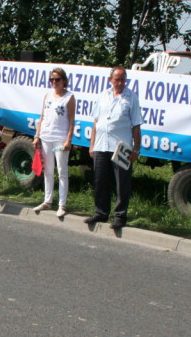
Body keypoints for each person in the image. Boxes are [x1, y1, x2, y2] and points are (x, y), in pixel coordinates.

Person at [85, 67, 142, 230]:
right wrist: (92, 145)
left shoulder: (131, 98)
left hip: (121, 147)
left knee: (121, 183)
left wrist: (136, 150)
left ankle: (120, 216)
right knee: (100, 180)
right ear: (110, 80)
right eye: (117, 79)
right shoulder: (103, 96)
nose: (120, 82)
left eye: (123, 79)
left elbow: (136, 126)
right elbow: (96, 122)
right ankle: (101, 212)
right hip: (101, 145)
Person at [32, 67, 76, 218]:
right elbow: (42, 116)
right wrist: (37, 135)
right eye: (52, 79)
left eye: (57, 79)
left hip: (60, 137)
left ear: (64, 81)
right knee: (48, 171)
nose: (54, 82)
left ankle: (62, 204)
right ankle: (47, 200)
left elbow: (71, 121)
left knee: (62, 171)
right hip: (46, 136)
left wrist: (68, 140)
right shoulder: (48, 95)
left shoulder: (69, 97)